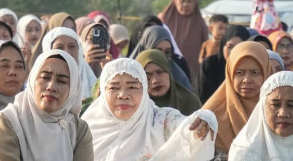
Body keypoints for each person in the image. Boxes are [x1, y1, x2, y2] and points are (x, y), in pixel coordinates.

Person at [82, 58, 216, 161]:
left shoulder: (161, 121)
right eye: (114, 88)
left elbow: (187, 126)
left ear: (145, 90)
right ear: (103, 92)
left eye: (132, 87)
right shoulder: (87, 127)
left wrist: (205, 118)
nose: (123, 95)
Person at [0, 49, 93, 161]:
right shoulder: (6, 123)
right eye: (45, 77)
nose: (51, 87)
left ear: (73, 90)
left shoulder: (78, 129)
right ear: (32, 80)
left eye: (61, 81)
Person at [203, 41, 271, 158]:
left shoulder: (277, 110)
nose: (247, 80)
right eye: (239, 73)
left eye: (255, 72)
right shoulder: (210, 118)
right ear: (230, 74)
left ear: (266, 73)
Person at [228, 71, 293, 160]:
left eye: (291, 105)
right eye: (275, 105)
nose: (283, 114)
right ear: (263, 107)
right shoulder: (246, 152)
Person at [159, 0, 208, 87]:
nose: (186, 4)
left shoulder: (200, 22)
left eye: (189, 1)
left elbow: (206, 46)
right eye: (182, 1)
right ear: (176, 1)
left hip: (193, 72)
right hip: (167, 67)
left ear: (195, 3)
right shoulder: (164, 19)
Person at [135, 49, 202, 116]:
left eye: (160, 72)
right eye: (147, 76)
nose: (155, 81)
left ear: (168, 71)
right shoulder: (134, 108)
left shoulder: (190, 103)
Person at [41, 27, 98, 102]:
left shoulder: (89, 79)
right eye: (59, 48)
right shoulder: (41, 80)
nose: (67, 52)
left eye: (72, 46)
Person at [129, 25, 193, 92]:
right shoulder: (130, 76)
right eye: (158, 52)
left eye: (167, 52)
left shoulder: (179, 77)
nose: (163, 57)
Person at [200, 25, 251, 103]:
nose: (233, 51)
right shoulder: (209, 65)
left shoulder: (252, 67)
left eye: (239, 47)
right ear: (223, 45)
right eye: (230, 47)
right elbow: (202, 96)